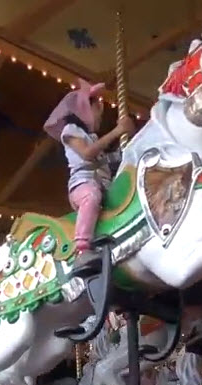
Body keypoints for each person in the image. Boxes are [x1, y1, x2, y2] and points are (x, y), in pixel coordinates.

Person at [43, 78, 135, 274]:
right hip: (82, 185)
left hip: (104, 186)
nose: (100, 116)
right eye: (97, 110)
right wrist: (118, 131)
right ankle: (82, 249)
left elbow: (106, 160)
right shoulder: (70, 131)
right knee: (92, 196)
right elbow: (87, 154)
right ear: (83, 110)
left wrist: (130, 148)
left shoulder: (92, 138)